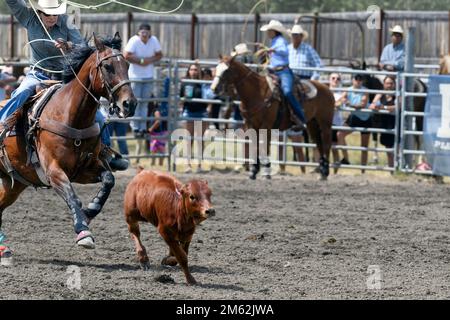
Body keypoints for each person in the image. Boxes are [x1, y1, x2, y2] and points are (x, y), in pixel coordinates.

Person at [0, 0, 128, 170]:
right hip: (38, 74)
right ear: (40, 12)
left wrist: (68, 46)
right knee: (22, 92)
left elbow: (83, 48)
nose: (52, 17)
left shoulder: (67, 23)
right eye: (48, 14)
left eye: (55, 13)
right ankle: (1, 126)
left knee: (97, 113)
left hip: (64, 77)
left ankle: (105, 151)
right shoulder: (29, 18)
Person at [259, 20, 306, 129]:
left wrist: (272, 49)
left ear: (274, 31)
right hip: (273, 71)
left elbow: (284, 51)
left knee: (288, 92)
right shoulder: (274, 41)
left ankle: (301, 118)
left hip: (283, 71)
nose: (267, 33)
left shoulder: (280, 41)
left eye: (269, 31)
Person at [124, 23, 163, 138]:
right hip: (135, 76)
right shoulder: (134, 40)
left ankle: (142, 128)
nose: (145, 34)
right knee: (136, 102)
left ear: (150, 32)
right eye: (142, 32)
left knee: (145, 103)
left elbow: (159, 54)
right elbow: (126, 55)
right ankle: (135, 128)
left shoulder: (154, 40)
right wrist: (141, 61)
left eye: (147, 32)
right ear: (139, 32)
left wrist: (149, 60)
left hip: (149, 76)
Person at [337, 74, 371, 173]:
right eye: (356, 79)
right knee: (340, 134)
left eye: (360, 79)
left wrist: (349, 103)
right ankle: (346, 159)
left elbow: (362, 104)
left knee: (364, 146)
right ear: (352, 80)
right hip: (354, 117)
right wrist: (342, 101)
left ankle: (363, 170)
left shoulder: (365, 90)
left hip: (365, 118)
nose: (358, 81)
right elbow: (340, 100)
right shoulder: (348, 90)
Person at [180, 63, 208, 173]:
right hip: (189, 112)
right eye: (192, 69)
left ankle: (200, 165)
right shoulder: (185, 83)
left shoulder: (203, 83)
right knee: (188, 139)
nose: (194, 71)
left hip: (201, 113)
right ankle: (188, 164)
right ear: (188, 71)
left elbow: (209, 96)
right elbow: (181, 98)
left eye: (196, 69)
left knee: (200, 140)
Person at [369, 76, 398, 168]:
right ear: (384, 84)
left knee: (395, 149)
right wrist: (374, 105)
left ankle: (396, 167)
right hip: (384, 123)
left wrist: (383, 107)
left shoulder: (397, 94)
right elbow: (373, 104)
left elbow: (397, 107)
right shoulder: (380, 94)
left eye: (391, 83)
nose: (389, 85)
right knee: (388, 149)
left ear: (394, 84)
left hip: (395, 122)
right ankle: (392, 169)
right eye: (387, 83)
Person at [148, 77, 170, 166]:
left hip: (156, 132)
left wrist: (150, 129)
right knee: (161, 149)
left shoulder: (156, 110)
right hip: (164, 131)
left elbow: (158, 121)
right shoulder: (165, 107)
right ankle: (160, 165)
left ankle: (153, 165)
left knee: (154, 150)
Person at [329, 73, 346, 173]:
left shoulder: (341, 94)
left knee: (334, 148)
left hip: (335, 123)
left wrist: (330, 106)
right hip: (325, 122)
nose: (335, 80)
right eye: (333, 78)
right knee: (320, 146)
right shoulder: (325, 92)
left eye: (338, 78)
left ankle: (335, 170)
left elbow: (337, 107)